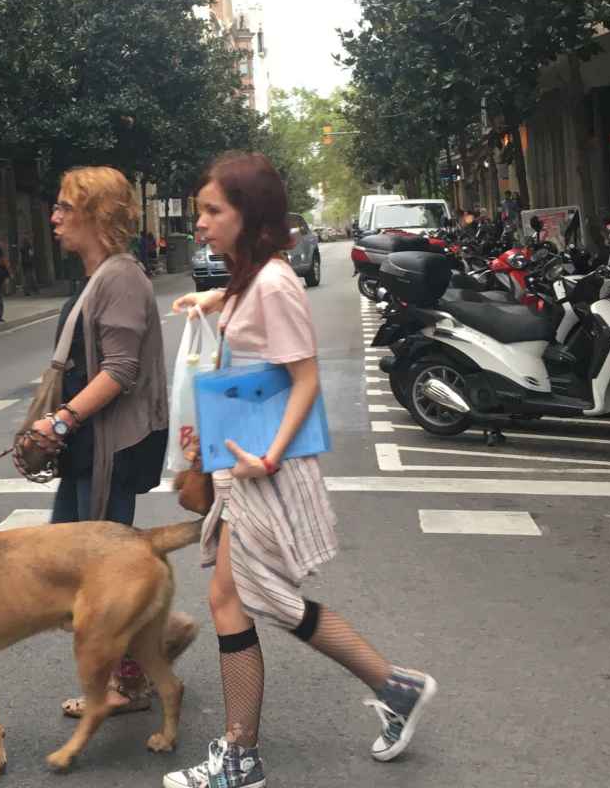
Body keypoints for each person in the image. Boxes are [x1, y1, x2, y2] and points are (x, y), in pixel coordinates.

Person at [165, 152, 437, 788]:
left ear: (249, 215)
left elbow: (306, 378)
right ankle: (393, 688)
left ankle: (243, 757)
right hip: (245, 463)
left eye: (212, 211)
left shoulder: (274, 282)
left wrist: (268, 456)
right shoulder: (251, 278)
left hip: (262, 467)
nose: (199, 223)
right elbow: (250, 317)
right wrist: (212, 298)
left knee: (247, 600)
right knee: (240, 599)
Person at [18, 166, 196, 720]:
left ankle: (131, 679)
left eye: (65, 207)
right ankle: (160, 633)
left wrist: (61, 421)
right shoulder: (100, 276)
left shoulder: (120, 278)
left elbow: (119, 369)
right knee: (67, 567)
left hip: (108, 446)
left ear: (96, 215)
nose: (54, 217)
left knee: (96, 574)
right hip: (89, 445)